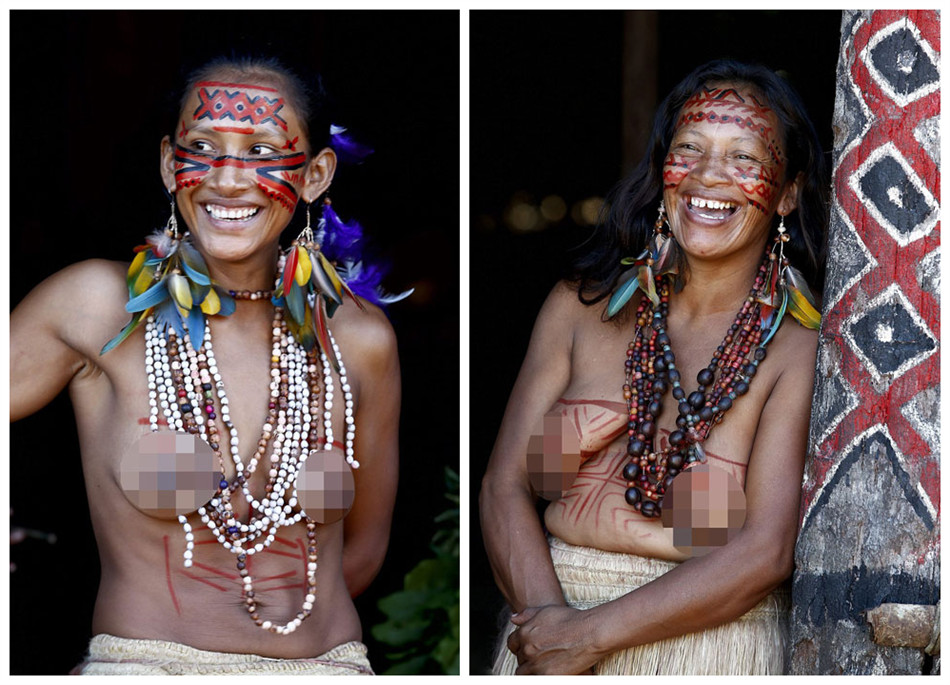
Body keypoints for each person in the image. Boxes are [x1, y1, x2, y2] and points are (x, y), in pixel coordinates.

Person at [11, 55, 402, 675]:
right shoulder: (96, 308)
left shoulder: (358, 338)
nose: (227, 178)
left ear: (316, 174)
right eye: (203, 147)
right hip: (146, 666)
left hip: (328, 667)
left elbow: (365, 546)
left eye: (263, 151)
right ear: (171, 164)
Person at [480, 59, 828, 675]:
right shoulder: (578, 309)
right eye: (688, 148)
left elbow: (765, 553)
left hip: (704, 650)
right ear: (662, 169)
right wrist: (549, 631)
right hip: (545, 634)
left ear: (788, 192)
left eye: (744, 157)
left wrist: (590, 636)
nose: (707, 175)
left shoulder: (799, 349)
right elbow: (507, 487)